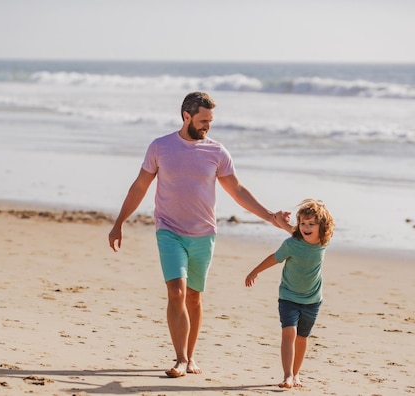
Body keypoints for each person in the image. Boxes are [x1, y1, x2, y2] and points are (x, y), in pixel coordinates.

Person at [108, 91, 287, 378]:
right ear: (186, 116)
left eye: (211, 121)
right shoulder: (160, 147)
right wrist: (119, 222)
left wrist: (269, 216)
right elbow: (140, 186)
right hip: (169, 230)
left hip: (204, 234)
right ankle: (180, 359)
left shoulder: (217, 152)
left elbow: (238, 190)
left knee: (194, 297)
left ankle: (190, 356)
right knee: (176, 291)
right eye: (203, 120)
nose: (207, 126)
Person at [245, 199, 335, 389]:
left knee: (302, 337)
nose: (306, 227)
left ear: (322, 227)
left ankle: (296, 374)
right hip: (289, 297)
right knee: (289, 332)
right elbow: (274, 258)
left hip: (312, 300)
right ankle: (287, 376)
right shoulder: (291, 244)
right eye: (302, 223)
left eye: (311, 224)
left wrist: (282, 222)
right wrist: (255, 271)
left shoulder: (322, 242)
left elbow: (301, 232)